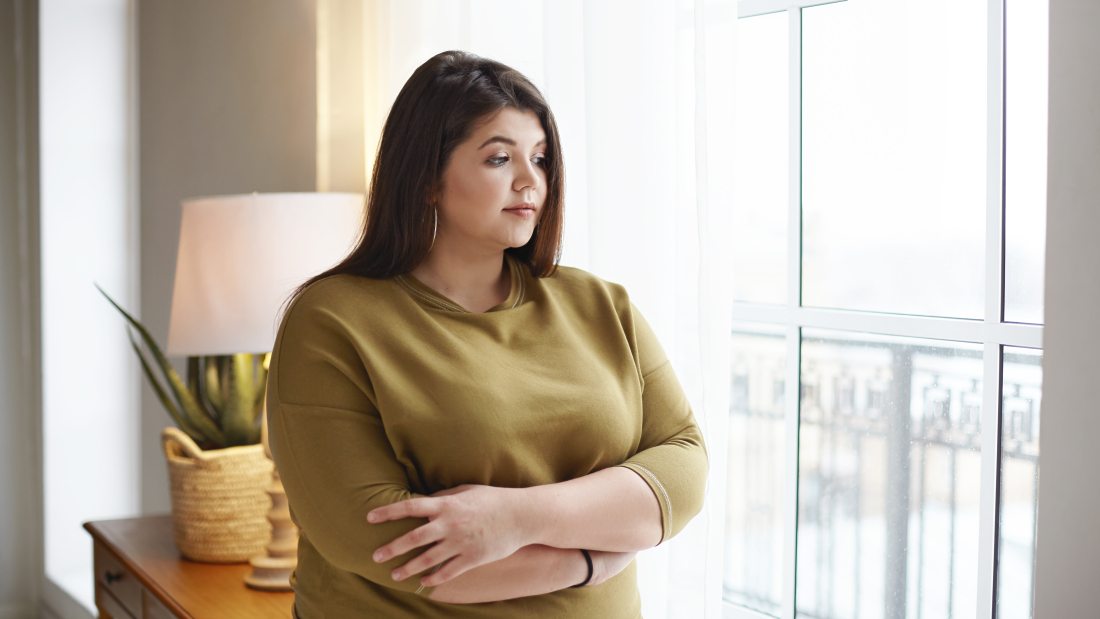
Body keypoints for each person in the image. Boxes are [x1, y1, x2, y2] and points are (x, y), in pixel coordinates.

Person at [266, 50, 708, 619]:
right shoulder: (330, 321)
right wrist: (596, 559)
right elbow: (402, 552)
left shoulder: (600, 303)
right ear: (426, 178)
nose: (531, 181)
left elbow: (684, 469)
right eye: (500, 158)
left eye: (542, 158)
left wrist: (517, 519)